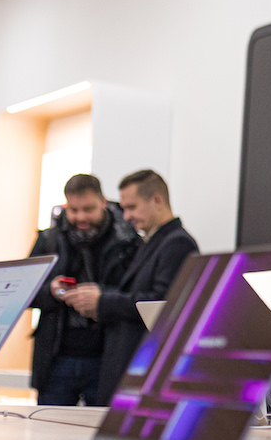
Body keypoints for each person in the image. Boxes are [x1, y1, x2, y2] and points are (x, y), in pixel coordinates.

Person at [59, 169, 199, 403]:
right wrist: (100, 294)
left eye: (132, 207)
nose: (125, 217)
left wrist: (102, 300)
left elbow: (160, 304)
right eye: (124, 209)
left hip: (143, 370)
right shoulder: (153, 241)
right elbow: (136, 295)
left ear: (157, 200)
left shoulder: (177, 244)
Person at [29, 174, 141, 406]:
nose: (81, 217)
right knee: (49, 435)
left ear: (103, 201)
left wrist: (101, 298)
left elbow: (136, 296)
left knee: (101, 436)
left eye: (88, 209)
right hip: (56, 359)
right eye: (74, 210)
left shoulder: (129, 241)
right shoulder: (48, 239)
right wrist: (52, 291)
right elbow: (25, 293)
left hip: (108, 358)